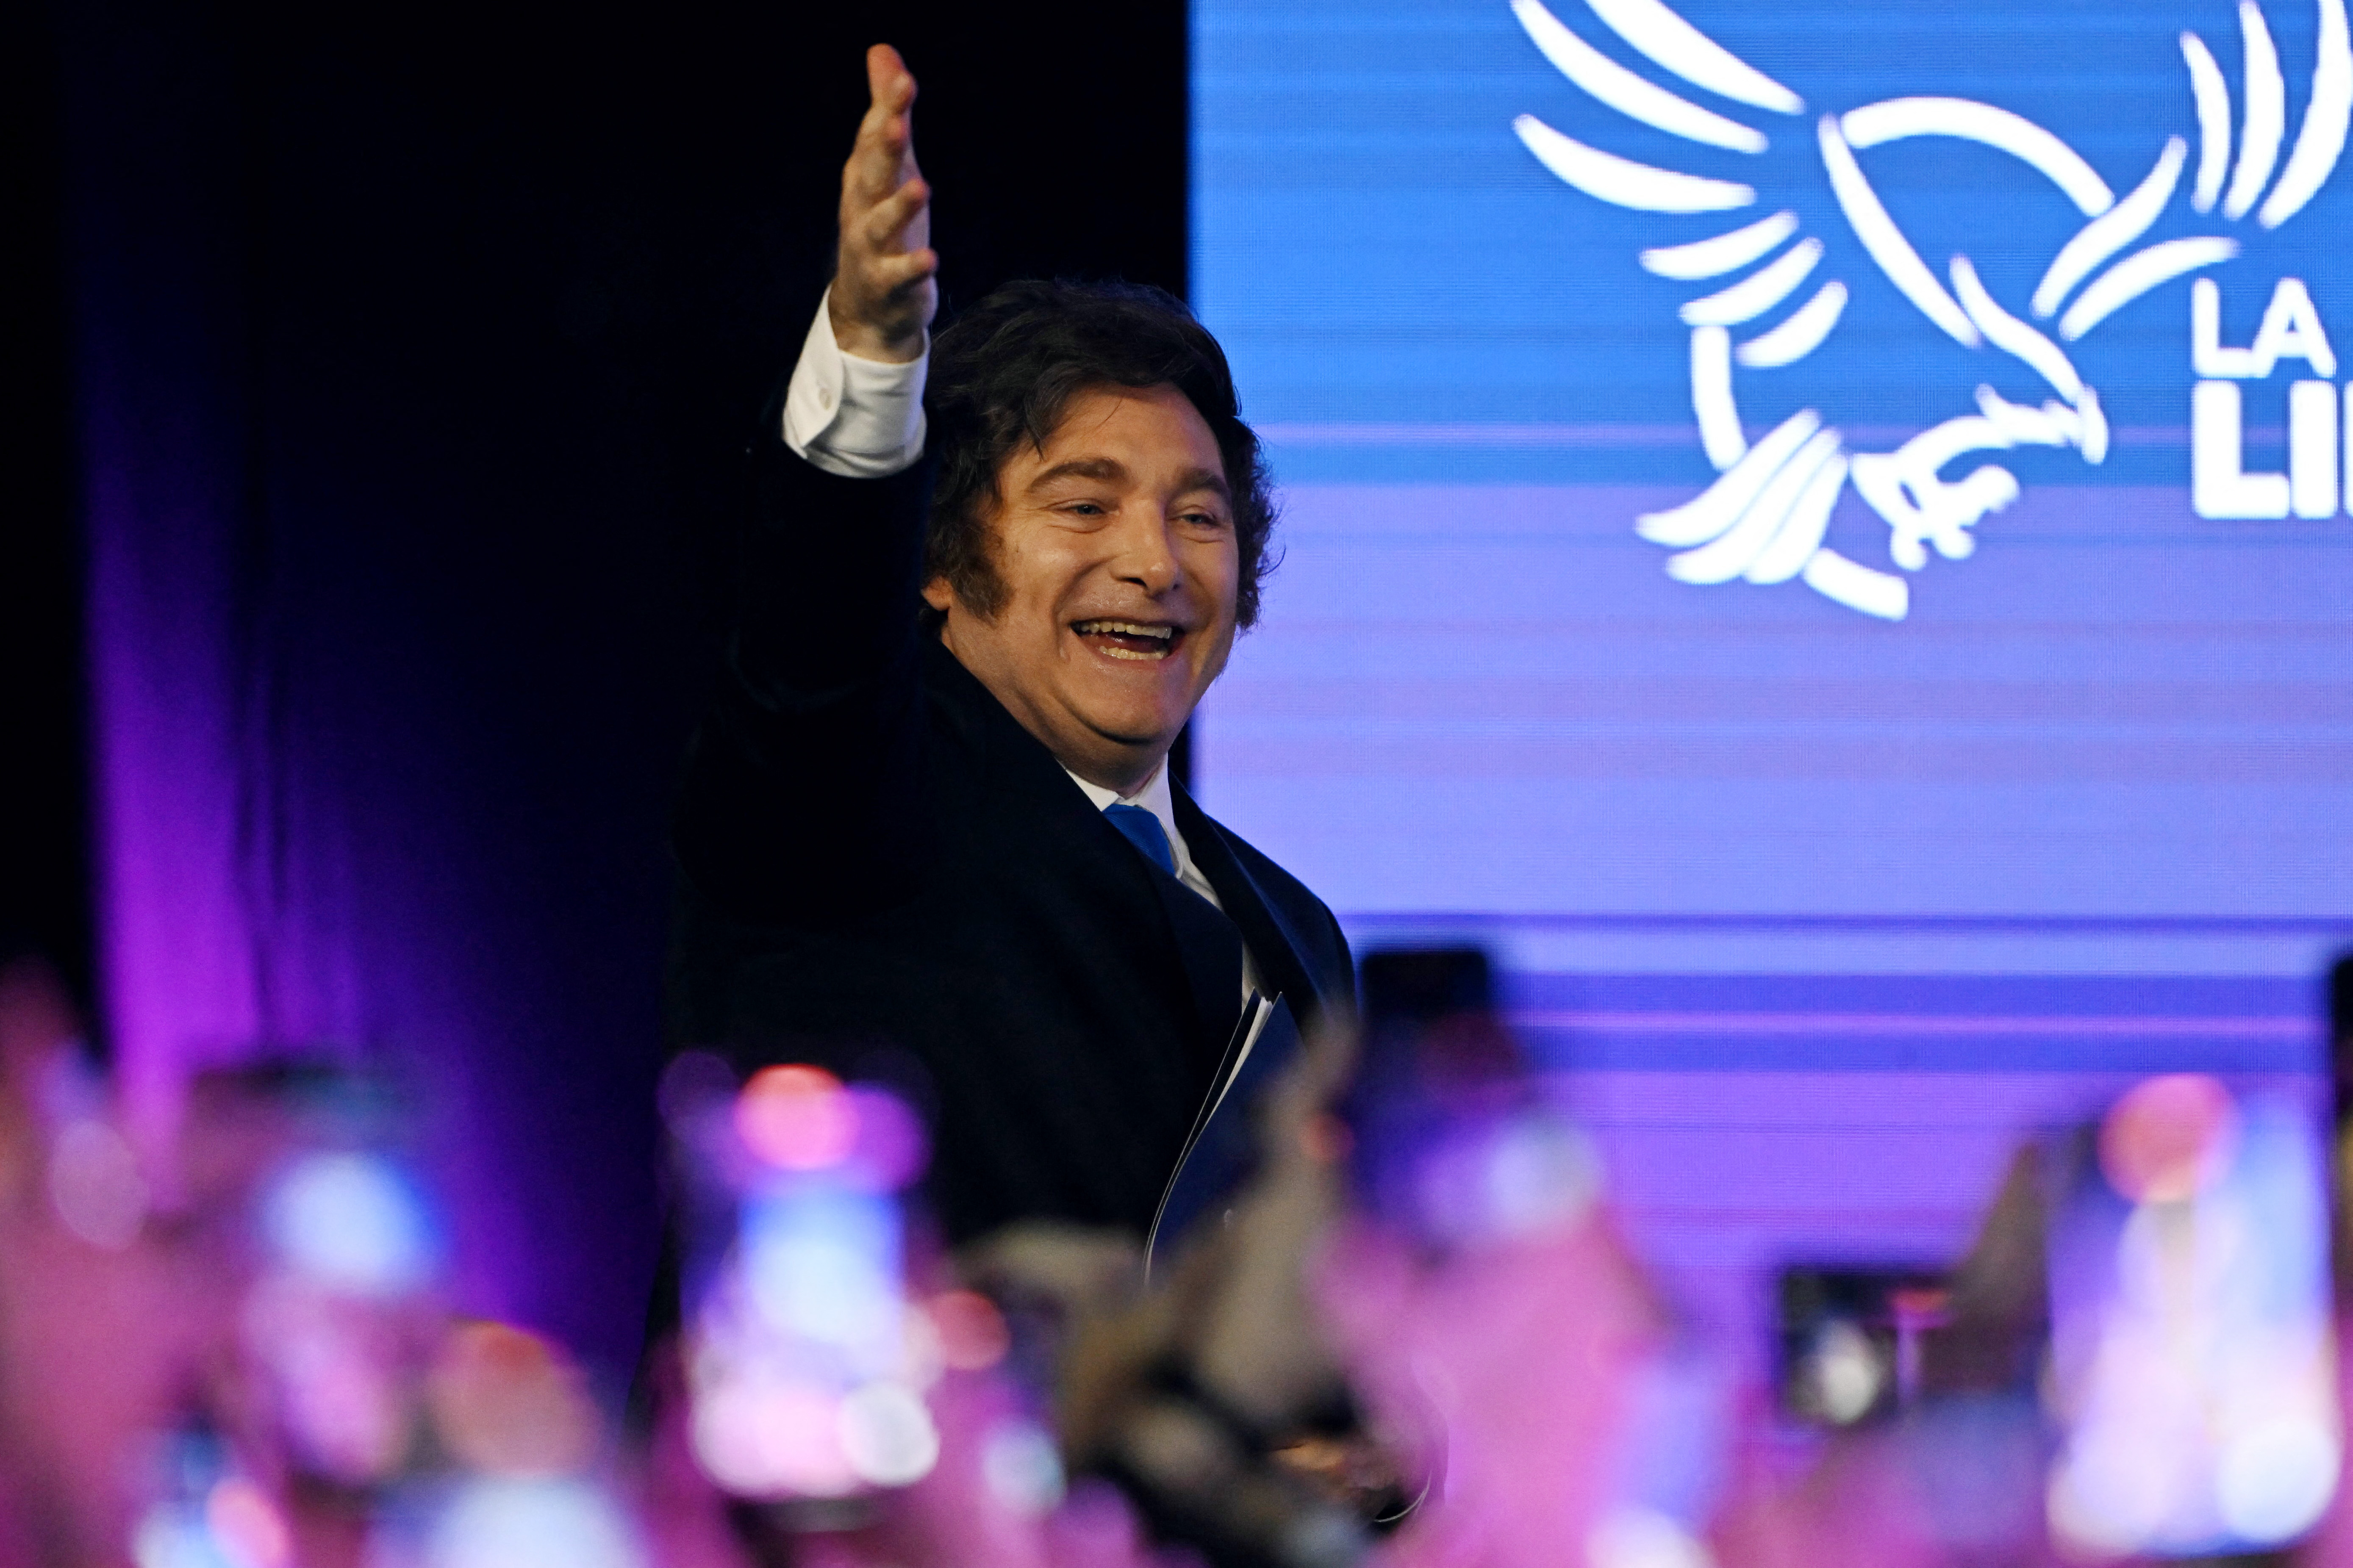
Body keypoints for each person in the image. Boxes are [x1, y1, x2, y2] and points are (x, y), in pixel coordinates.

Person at [667, 45, 1353, 1248]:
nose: (1155, 562)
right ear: (935, 562)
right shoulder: (853, 805)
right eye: (1084, 506)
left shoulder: (1297, 931)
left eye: (1199, 517)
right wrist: (872, 362)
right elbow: (811, 643)